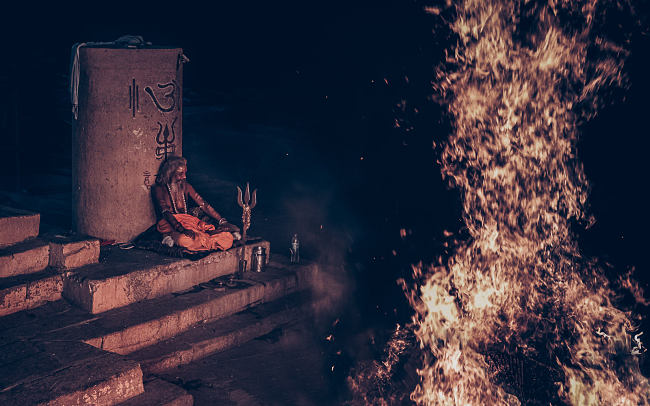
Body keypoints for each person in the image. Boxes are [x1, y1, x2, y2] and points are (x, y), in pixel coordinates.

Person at [152, 156, 239, 252]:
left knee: (227, 238)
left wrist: (222, 221)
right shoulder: (159, 188)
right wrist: (181, 229)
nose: (184, 176)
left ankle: (204, 240)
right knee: (183, 240)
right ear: (170, 173)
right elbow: (165, 212)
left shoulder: (186, 186)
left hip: (190, 223)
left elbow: (204, 205)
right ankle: (176, 238)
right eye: (180, 173)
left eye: (185, 173)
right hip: (172, 224)